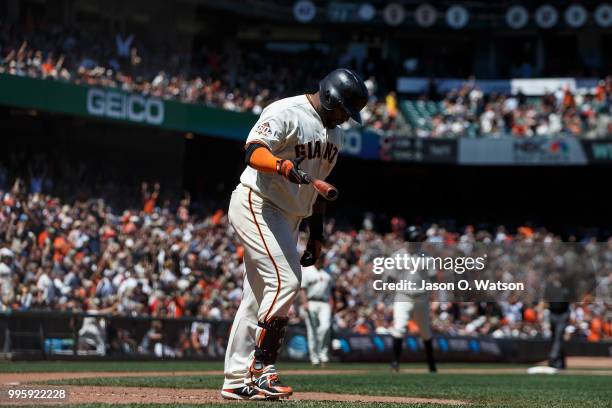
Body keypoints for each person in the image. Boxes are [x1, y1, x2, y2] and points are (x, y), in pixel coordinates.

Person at [221, 68, 368, 400]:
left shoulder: (335, 136)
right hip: (257, 203)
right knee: (286, 282)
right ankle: (259, 370)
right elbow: (253, 151)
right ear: (331, 98)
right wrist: (283, 166)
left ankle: (235, 380)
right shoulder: (286, 111)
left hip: (290, 216)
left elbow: (318, 191)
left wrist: (316, 236)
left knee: (257, 299)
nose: (347, 118)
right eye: (345, 109)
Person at [389, 241, 436, 373]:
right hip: (403, 296)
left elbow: (433, 278)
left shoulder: (426, 257)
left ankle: (431, 365)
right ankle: (395, 363)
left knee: (425, 332)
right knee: (399, 328)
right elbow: (390, 277)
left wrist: (434, 296)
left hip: (421, 297)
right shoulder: (397, 256)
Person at [300, 259, 333, 366]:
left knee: (325, 327)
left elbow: (331, 290)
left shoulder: (327, 272)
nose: (321, 261)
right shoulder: (308, 271)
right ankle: (314, 358)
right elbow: (302, 288)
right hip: (311, 301)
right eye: (319, 258)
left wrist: (332, 304)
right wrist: (304, 302)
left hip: (324, 303)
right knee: (312, 331)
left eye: (322, 258)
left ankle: (323, 355)